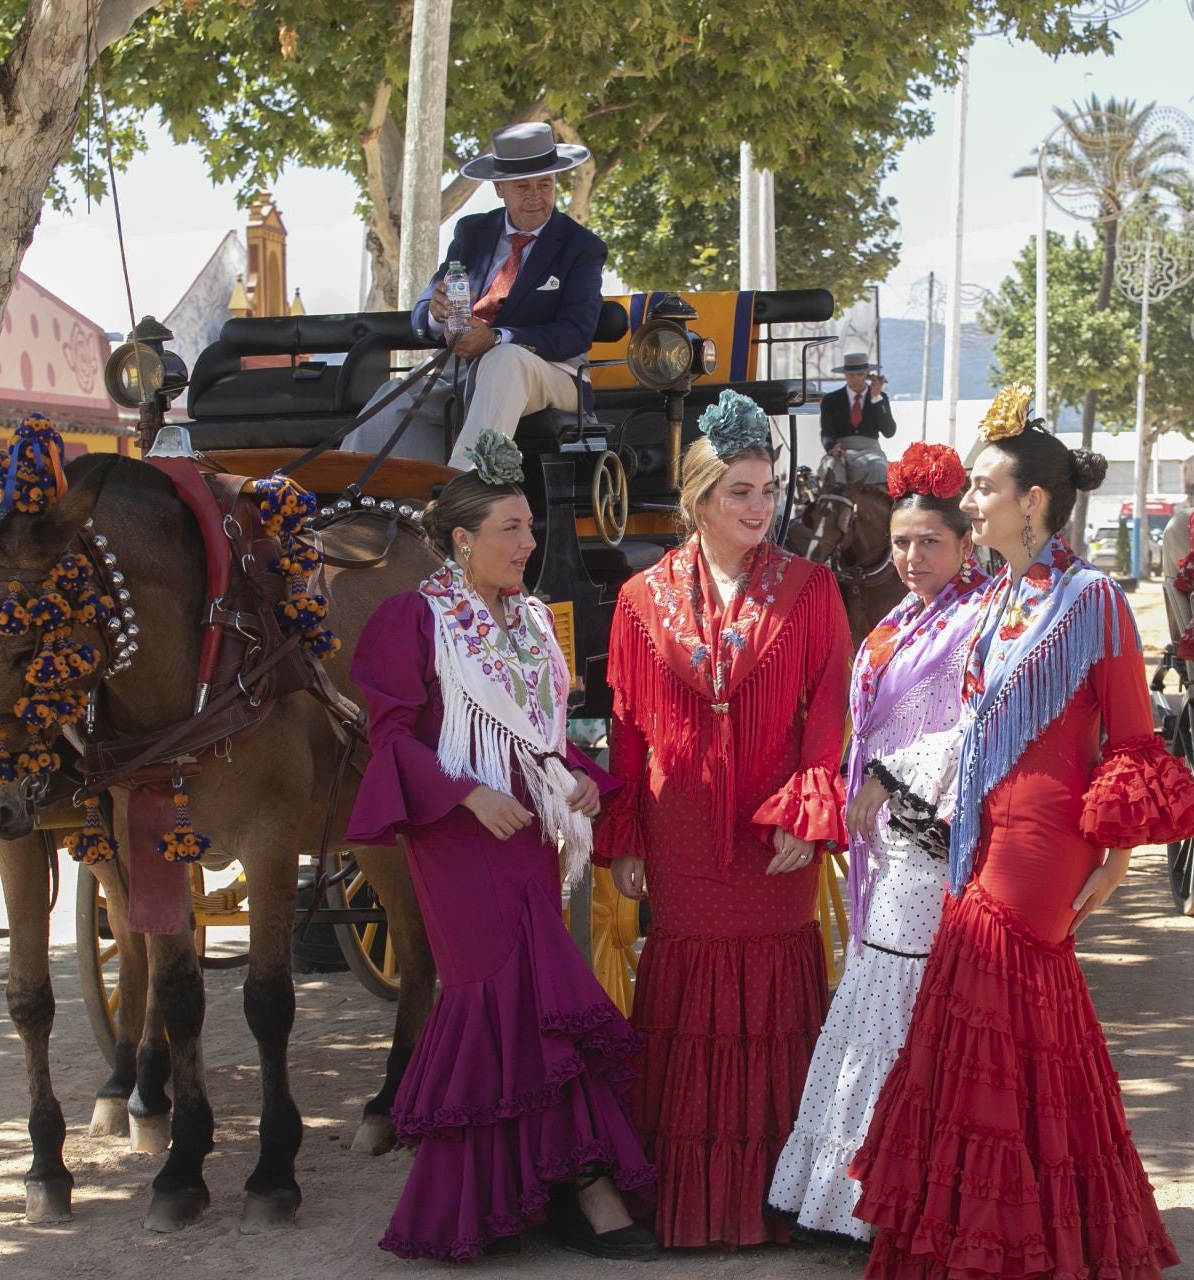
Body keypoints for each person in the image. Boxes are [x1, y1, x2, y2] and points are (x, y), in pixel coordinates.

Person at [850, 385, 1194, 1280]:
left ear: (1034, 503)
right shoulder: (1001, 596)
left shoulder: (1093, 600)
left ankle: (1015, 1242)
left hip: (1046, 843)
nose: (970, 502)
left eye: (984, 488)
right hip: (980, 835)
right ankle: (1023, 1233)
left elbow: (1131, 738)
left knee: (997, 1008)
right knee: (1002, 1030)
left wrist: (1118, 854)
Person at [346, 430, 658, 1263]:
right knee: (501, 990)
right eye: (509, 529)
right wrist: (465, 793)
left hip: (528, 834)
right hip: (458, 837)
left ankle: (545, 1187)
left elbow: (543, 736)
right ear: (461, 539)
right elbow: (391, 739)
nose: (527, 543)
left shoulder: (532, 620)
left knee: (535, 998)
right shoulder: (411, 618)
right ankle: (578, 1189)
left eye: (528, 528)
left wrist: (579, 777)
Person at [595, 390, 853, 1249]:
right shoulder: (640, 597)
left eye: (767, 490)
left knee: (776, 989)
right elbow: (628, 726)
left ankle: (779, 1195)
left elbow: (828, 714)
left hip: (773, 832)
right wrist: (626, 836)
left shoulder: (811, 589)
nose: (759, 506)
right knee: (687, 985)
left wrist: (808, 813)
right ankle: (690, 1200)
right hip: (677, 832)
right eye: (740, 491)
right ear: (699, 500)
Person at [766, 441, 989, 1243]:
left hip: (932, 832)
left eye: (930, 541)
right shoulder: (901, 618)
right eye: (900, 542)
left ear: (966, 542)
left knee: (895, 1002)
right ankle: (860, 1197)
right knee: (879, 995)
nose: (912, 556)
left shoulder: (982, 618)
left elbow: (980, 726)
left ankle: (888, 1204)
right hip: (882, 840)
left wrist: (893, 779)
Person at [354, 122, 607, 466]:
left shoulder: (582, 246)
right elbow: (423, 312)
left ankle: (465, 488)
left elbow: (575, 333)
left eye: (545, 184)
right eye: (522, 186)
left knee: (504, 361)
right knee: (392, 401)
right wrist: (438, 314)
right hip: (462, 366)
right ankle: (354, 493)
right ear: (499, 187)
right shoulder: (473, 232)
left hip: (553, 373)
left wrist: (496, 338)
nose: (535, 195)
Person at [818, 353, 897, 488]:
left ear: (867, 374)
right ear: (845, 375)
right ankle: (837, 501)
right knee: (832, 467)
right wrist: (832, 447)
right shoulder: (831, 400)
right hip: (842, 450)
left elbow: (889, 432)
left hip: (871, 451)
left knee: (878, 467)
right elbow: (826, 430)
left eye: (860, 374)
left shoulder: (880, 398)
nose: (856, 379)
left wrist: (876, 399)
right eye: (851, 375)